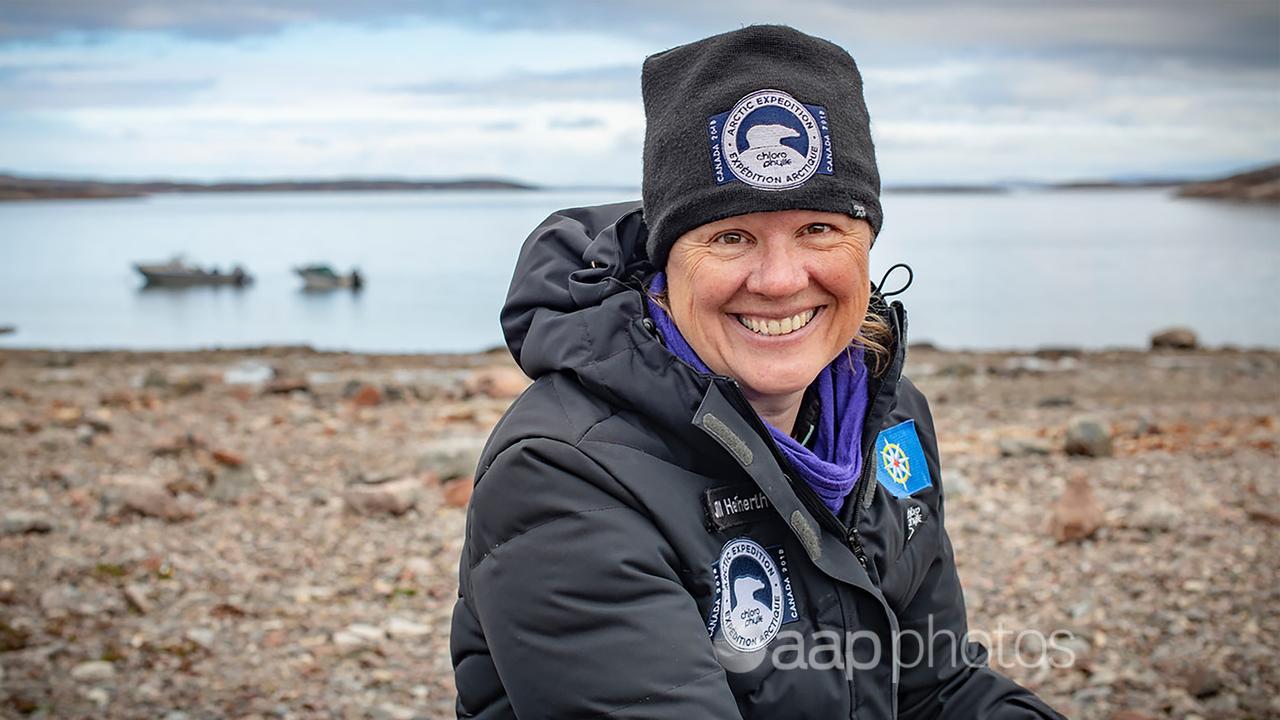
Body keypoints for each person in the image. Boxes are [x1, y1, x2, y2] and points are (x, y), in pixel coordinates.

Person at [451, 25, 1065, 719]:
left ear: (867, 247)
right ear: (666, 260)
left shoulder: (885, 417)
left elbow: (933, 687)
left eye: (819, 230)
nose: (778, 281)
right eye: (730, 237)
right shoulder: (566, 475)